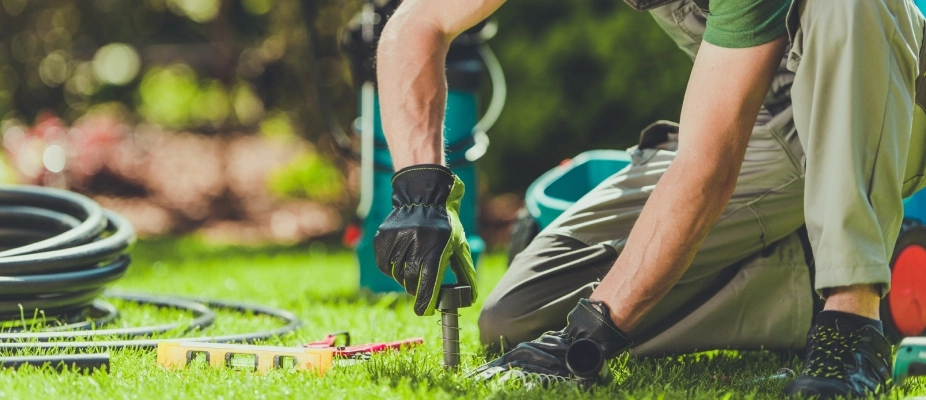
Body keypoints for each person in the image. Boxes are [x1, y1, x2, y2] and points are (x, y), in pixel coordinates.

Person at [371, 0, 926, 397]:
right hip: (765, 125)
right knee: (516, 317)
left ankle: (853, 315)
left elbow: (708, 168)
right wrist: (419, 186)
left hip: (887, 107)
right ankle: (840, 267)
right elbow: (419, 22)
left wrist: (592, 333)